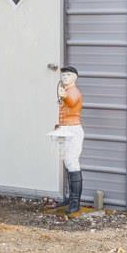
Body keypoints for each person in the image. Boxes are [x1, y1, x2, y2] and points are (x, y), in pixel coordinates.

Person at [50, 67, 85, 213]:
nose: (65, 77)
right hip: (65, 128)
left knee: (72, 162)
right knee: (66, 161)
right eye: (63, 74)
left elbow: (72, 102)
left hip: (73, 129)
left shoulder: (73, 91)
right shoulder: (65, 91)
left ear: (74, 77)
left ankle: (75, 202)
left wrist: (64, 96)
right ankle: (70, 198)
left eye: (68, 75)